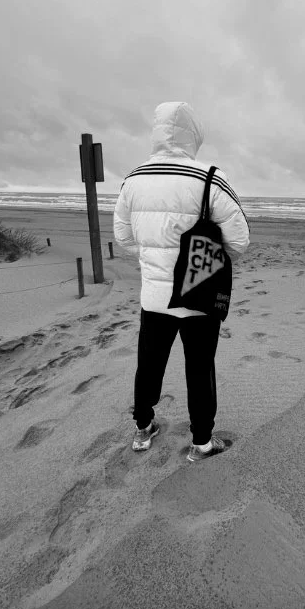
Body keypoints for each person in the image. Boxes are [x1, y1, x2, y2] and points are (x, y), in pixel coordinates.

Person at [113, 102, 250, 462]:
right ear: (194, 135)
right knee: (200, 368)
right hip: (198, 292)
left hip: (154, 295)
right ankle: (201, 443)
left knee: (149, 364)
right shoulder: (210, 178)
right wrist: (203, 260)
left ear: (156, 131)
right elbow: (239, 241)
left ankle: (144, 429)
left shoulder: (133, 179)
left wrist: (154, 258)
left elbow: (124, 238)